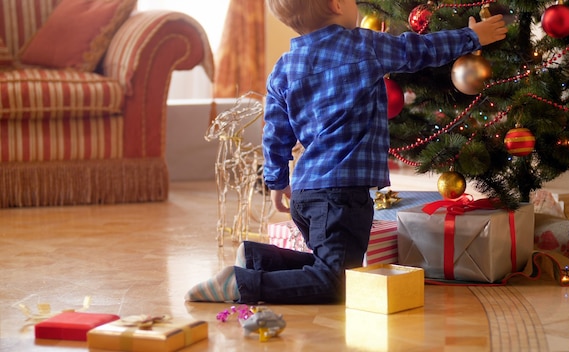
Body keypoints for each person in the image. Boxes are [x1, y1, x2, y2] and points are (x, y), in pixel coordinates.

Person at [185, 0, 507, 304]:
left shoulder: (283, 68)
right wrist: (472, 36)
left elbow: (275, 132)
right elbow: (419, 50)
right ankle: (241, 285)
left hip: (307, 192)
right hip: (342, 196)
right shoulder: (364, 45)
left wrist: (276, 180)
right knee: (336, 281)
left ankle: (258, 258)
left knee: (329, 264)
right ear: (337, 5)